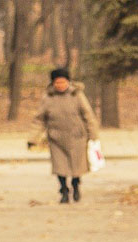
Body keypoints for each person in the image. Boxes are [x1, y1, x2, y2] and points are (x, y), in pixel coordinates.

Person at [30, 68, 99, 204]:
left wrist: (93, 135)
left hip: (77, 137)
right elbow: (39, 119)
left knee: (76, 167)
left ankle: (75, 185)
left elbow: (88, 115)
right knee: (59, 167)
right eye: (58, 83)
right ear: (53, 83)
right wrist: (33, 138)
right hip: (56, 138)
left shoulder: (77, 95)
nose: (60, 85)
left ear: (68, 82)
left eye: (63, 82)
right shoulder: (48, 97)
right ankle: (64, 190)